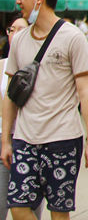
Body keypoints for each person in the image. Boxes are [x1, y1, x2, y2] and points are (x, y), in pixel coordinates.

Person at [1, 0, 88, 220]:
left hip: (63, 139)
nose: (17, 1)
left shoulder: (73, 37)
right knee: (18, 206)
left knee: (59, 212)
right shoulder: (20, 40)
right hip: (25, 139)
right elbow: (11, 94)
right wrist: (6, 140)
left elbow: (85, 92)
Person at [0, 17, 43, 220]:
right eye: (11, 29)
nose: (14, 33)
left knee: (30, 205)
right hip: (4, 138)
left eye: (20, 29)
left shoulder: (38, 66)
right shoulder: (1, 66)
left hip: (30, 140)